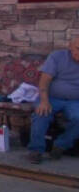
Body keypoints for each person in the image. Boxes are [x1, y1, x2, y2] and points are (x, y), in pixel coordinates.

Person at [27, 35, 79, 164]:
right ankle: (36, 150)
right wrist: (44, 101)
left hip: (74, 101)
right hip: (51, 97)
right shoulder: (57, 57)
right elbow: (44, 81)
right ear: (70, 47)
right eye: (78, 48)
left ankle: (60, 146)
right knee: (41, 114)